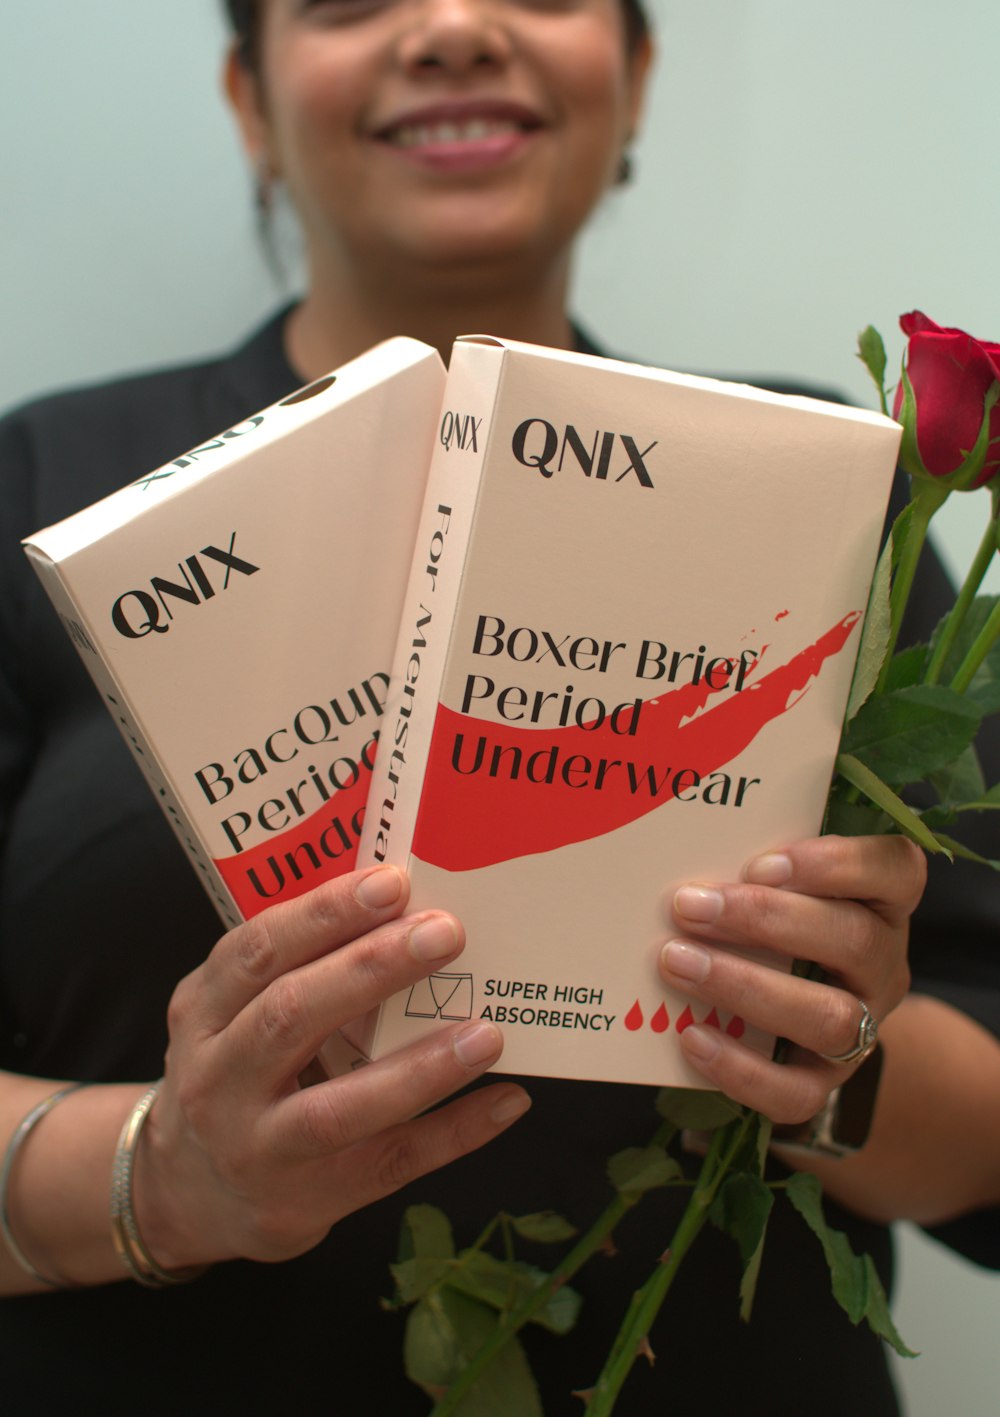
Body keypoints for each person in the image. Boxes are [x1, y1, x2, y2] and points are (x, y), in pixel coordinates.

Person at [0, 1, 997, 1412]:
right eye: (351, 1)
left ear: (635, 76)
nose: (456, 27)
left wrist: (834, 1055)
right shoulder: (43, 481)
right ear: (247, 94)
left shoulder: (834, 500)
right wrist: (161, 1178)